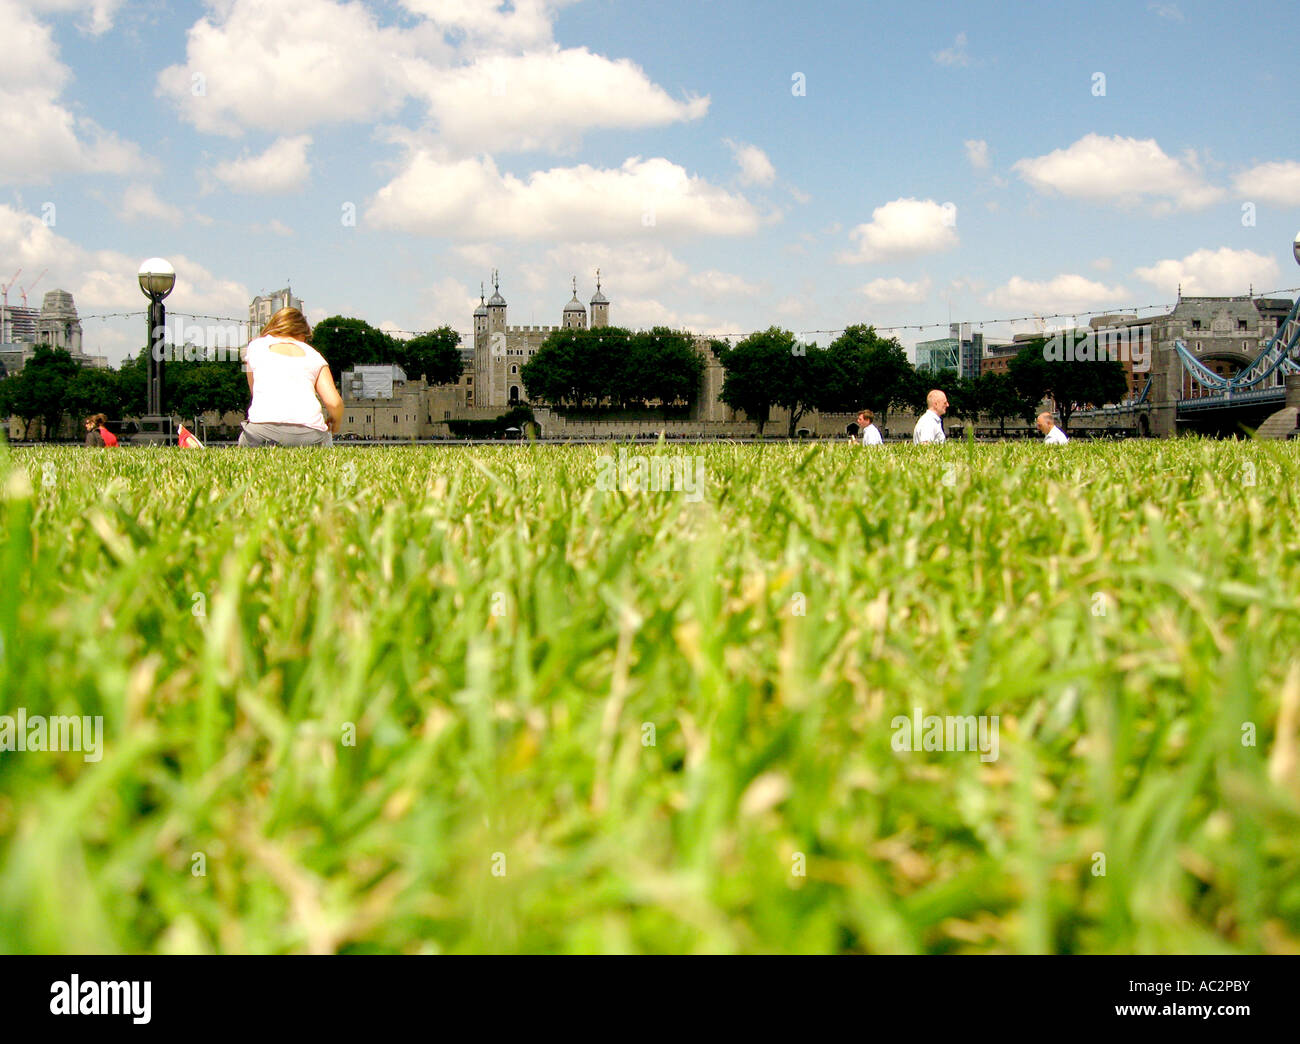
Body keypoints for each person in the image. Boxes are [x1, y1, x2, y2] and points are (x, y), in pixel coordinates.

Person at [238, 307, 343, 447]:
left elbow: (254, 392)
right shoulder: (314, 355)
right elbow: (334, 403)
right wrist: (336, 422)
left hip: (261, 433)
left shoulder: (255, 347)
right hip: (311, 436)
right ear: (302, 333)